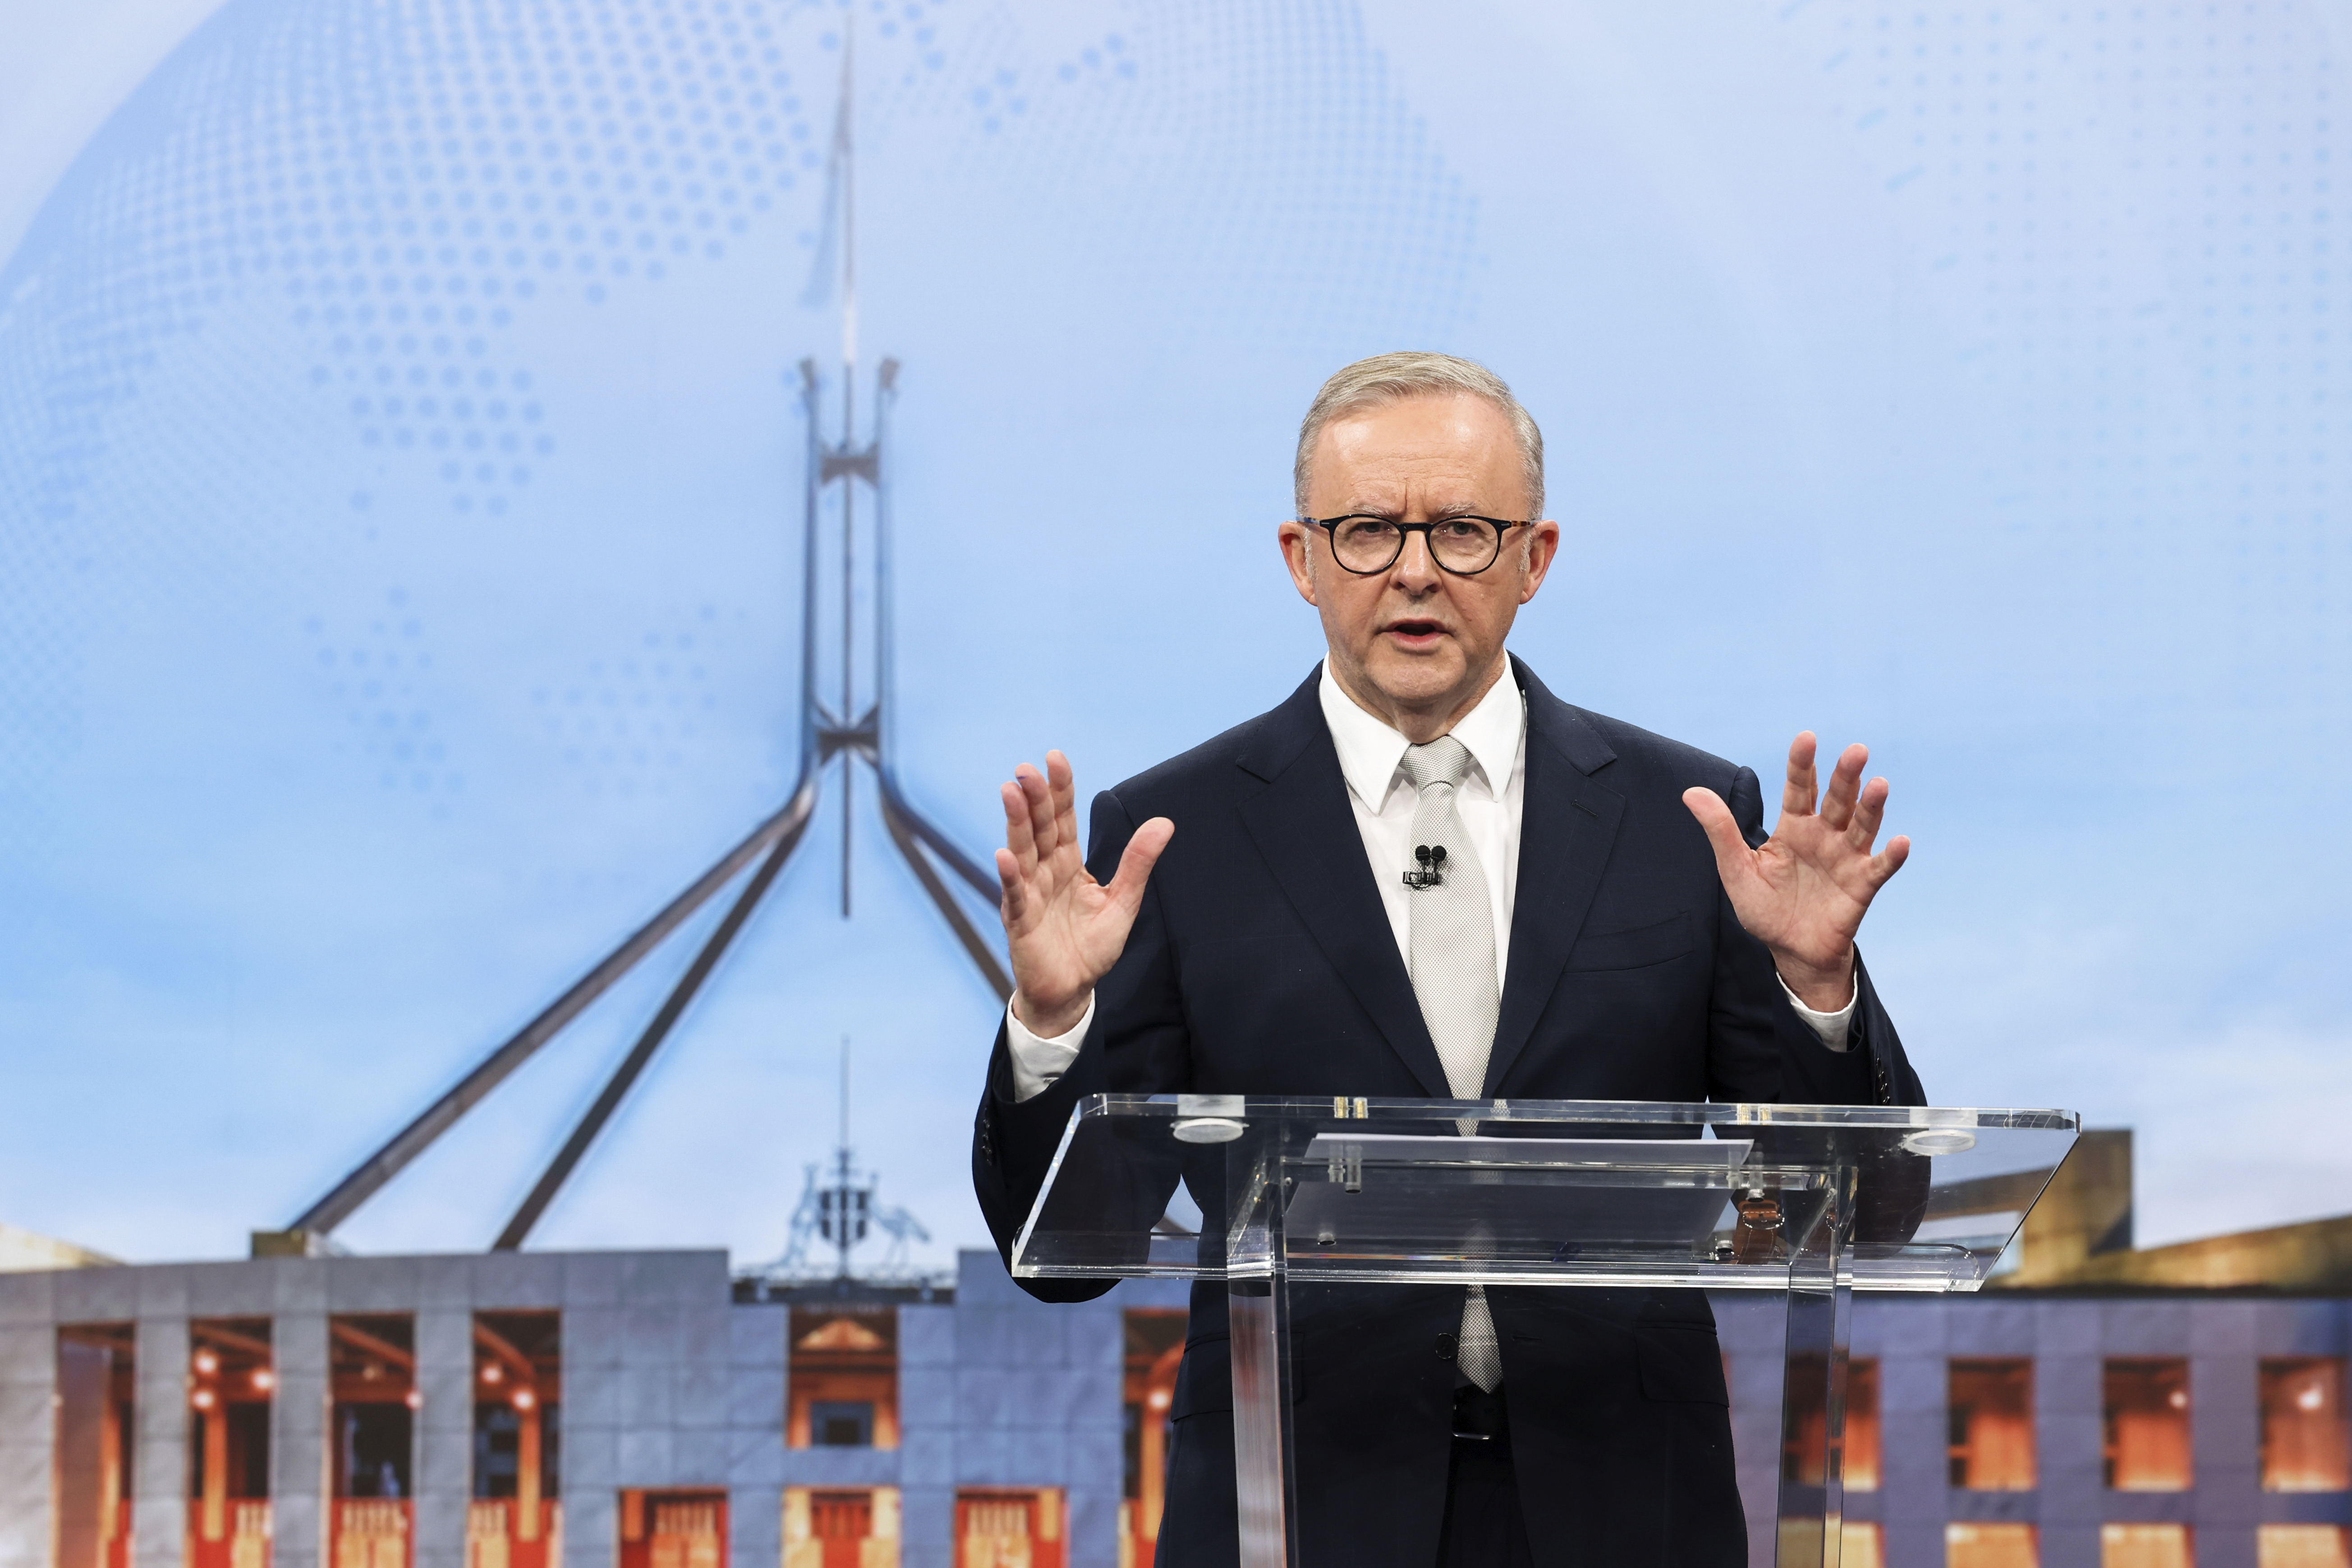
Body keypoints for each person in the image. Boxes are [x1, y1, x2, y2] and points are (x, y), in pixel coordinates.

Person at [970, 352, 1924, 1566]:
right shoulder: (1176, 833)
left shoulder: (1691, 820)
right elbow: (1061, 1261)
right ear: (1300, 558)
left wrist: (1816, 991)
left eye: (1464, 530)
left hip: (1628, 1511)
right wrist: (1054, 1024)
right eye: (1368, 530)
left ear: (1537, 557)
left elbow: (1870, 1214)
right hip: (1296, 1514)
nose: (1415, 570)